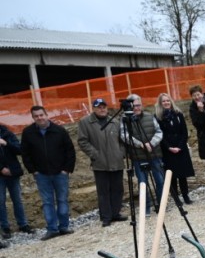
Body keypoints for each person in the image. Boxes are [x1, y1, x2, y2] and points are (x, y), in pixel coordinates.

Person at [20, 106, 76, 241]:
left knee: (62, 199)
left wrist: (66, 169)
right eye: (36, 116)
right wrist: (34, 171)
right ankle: (52, 229)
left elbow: (70, 151)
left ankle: (64, 226)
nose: (39, 118)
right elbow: (25, 154)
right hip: (42, 175)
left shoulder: (59, 131)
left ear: (47, 115)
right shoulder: (28, 133)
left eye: (41, 115)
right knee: (47, 202)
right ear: (33, 118)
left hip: (60, 173)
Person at [76, 98, 126, 227]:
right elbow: (82, 141)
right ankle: (106, 217)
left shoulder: (115, 121)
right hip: (100, 164)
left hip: (116, 161)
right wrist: (95, 154)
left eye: (104, 106)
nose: (102, 109)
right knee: (103, 191)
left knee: (117, 189)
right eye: (99, 107)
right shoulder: (85, 122)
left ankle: (116, 213)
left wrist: (121, 153)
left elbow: (122, 140)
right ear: (94, 108)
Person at [119, 94, 165, 215]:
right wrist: (140, 144)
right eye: (134, 106)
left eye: (138, 105)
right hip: (138, 157)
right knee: (143, 183)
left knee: (160, 181)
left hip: (154, 154)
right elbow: (124, 135)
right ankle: (146, 208)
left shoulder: (150, 116)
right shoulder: (125, 119)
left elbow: (159, 132)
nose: (136, 108)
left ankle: (161, 206)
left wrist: (151, 143)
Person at [155, 93, 195, 205]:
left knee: (182, 174)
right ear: (160, 103)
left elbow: (184, 131)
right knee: (171, 175)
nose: (166, 103)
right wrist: (168, 147)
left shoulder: (178, 114)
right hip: (167, 150)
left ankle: (186, 195)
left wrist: (180, 146)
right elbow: (160, 135)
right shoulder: (158, 117)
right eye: (164, 101)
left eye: (168, 100)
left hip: (180, 148)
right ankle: (176, 198)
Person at [0, 123, 34, 239]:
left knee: (17, 199)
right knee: (1, 201)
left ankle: (23, 224)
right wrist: (1, 169)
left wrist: (6, 144)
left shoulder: (7, 133)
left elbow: (19, 150)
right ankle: (5, 227)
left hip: (13, 173)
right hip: (1, 174)